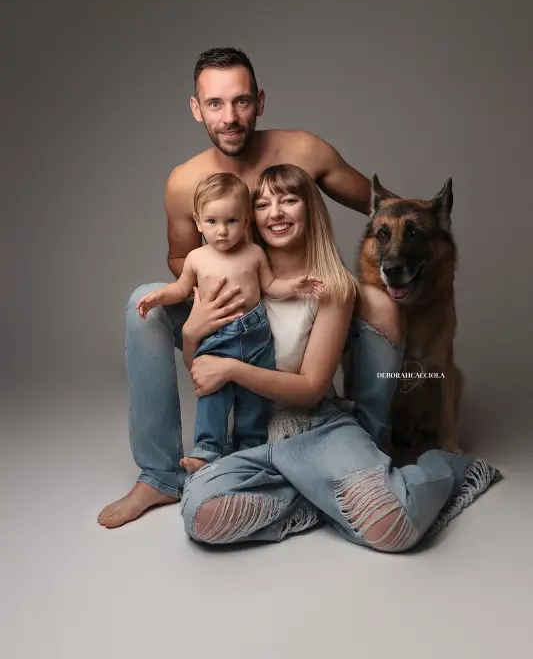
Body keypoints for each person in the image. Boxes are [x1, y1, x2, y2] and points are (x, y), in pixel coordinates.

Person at [97, 45, 396, 528]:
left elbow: (383, 207)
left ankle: (373, 442)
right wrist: (206, 308)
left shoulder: (304, 150)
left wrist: (419, 236)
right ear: (196, 108)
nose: (230, 116)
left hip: (301, 292)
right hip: (238, 312)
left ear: (259, 100)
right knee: (143, 304)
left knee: (381, 306)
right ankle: (158, 475)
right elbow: (180, 257)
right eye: (214, 103)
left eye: (240, 101)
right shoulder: (184, 182)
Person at [179, 165, 501, 552]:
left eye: (289, 200)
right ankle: (327, 496)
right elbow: (204, 376)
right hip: (252, 434)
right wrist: (190, 333)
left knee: (393, 528)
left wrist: (230, 367)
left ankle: (447, 468)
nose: (275, 212)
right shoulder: (232, 277)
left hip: (318, 428)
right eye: (263, 203)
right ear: (250, 216)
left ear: (310, 208)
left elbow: (310, 390)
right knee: (203, 515)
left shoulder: (332, 286)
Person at [136, 170, 324, 474]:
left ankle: (250, 449)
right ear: (198, 222)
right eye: (212, 222)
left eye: (231, 221)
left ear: (246, 221)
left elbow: (271, 286)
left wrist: (295, 286)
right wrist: (159, 297)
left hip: (256, 335)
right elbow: (182, 289)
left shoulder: (254, 253)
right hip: (217, 337)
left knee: (254, 398)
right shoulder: (196, 257)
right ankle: (207, 449)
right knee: (213, 394)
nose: (222, 231)